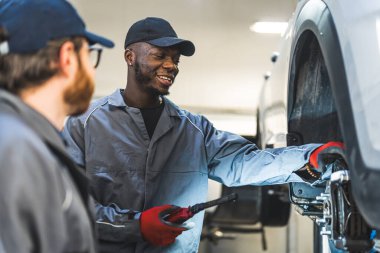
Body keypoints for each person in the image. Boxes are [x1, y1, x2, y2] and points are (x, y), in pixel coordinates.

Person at [62, 17, 343, 253]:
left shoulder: (194, 130)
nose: (171, 65)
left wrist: (310, 158)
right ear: (130, 57)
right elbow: (65, 207)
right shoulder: (84, 124)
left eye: (175, 59)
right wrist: (135, 225)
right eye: (160, 56)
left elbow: (247, 162)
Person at [0, 0, 115, 252]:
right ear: (67, 58)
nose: (93, 72)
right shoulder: (16, 149)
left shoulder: (25, 142)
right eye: (90, 53)